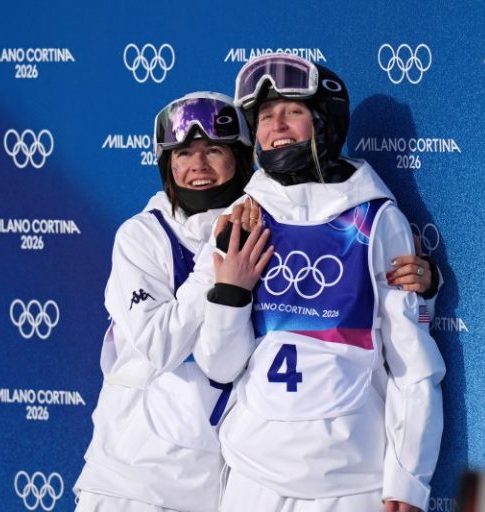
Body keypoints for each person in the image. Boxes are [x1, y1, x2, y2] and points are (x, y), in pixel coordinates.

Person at [73, 89, 437, 512]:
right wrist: (221, 274)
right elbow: (160, 344)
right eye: (183, 154)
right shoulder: (143, 236)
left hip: (212, 484)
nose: (197, 166)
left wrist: (423, 285)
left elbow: (340, 295)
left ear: (243, 158)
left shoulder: (265, 222)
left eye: (214, 151)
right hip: (129, 475)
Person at [192, 55, 446, 512]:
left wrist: (408, 479)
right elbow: (219, 366)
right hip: (255, 477)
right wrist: (230, 293)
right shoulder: (243, 218)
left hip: (351, 481)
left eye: (293, 111)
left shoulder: (375, 220)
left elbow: (412, 363)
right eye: (265, 116)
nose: (276, 125)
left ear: (326, 122)